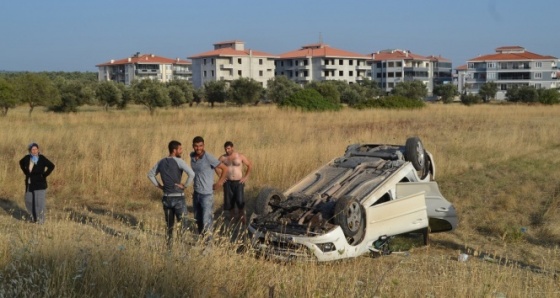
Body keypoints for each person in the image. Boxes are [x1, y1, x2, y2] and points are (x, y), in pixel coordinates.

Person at [148, 140, 195, 248]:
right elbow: (192, 174)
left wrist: (159, 186)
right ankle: (181, 247)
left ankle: (169, 249)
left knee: (169, 226)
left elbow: (150, 174)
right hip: (178, 197)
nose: (181, 151)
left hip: (166, 197)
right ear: (174, 150)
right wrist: (185, 186)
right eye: (180, 149)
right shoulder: (179, 161)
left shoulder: (161, 162)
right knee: (183, 224)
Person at [190, 136, 228, 236]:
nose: (198, 148)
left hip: (206, 195)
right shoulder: (192, 156)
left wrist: (220, 183)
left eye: (200, 146)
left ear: (204, 146)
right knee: (198, 220)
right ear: (193, 146)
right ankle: (201, 241)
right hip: (196, 193)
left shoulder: (208, 158)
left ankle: (208, 247)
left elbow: (225, 169)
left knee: (207, 221)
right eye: (196, 146)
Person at [19, 142, 55, 224]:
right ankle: (33, 218)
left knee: (39, 203)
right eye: (32, 149)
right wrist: (26, 172)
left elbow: (51, 166)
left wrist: (44, 175)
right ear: (30, 150)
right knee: (28, 201)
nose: (34, 151)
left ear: (38, 150)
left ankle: (40, 221)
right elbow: (20, 163)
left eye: (36, 149)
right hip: (29, 183)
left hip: (39, 184)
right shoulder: (27, 158)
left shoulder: (41, 158)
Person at [219, 141, 252, 226]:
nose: (227, 150)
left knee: (240, 200)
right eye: (226, 149)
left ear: (232, 148)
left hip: (238, 182)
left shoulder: (239, 156)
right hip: (228, 182)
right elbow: (215, 166)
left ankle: (242, 218)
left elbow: (249, 165)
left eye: (228, 148)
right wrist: (221, 176)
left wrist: (246, 177)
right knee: (229, 202)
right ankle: (232, 219)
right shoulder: (223, 158)